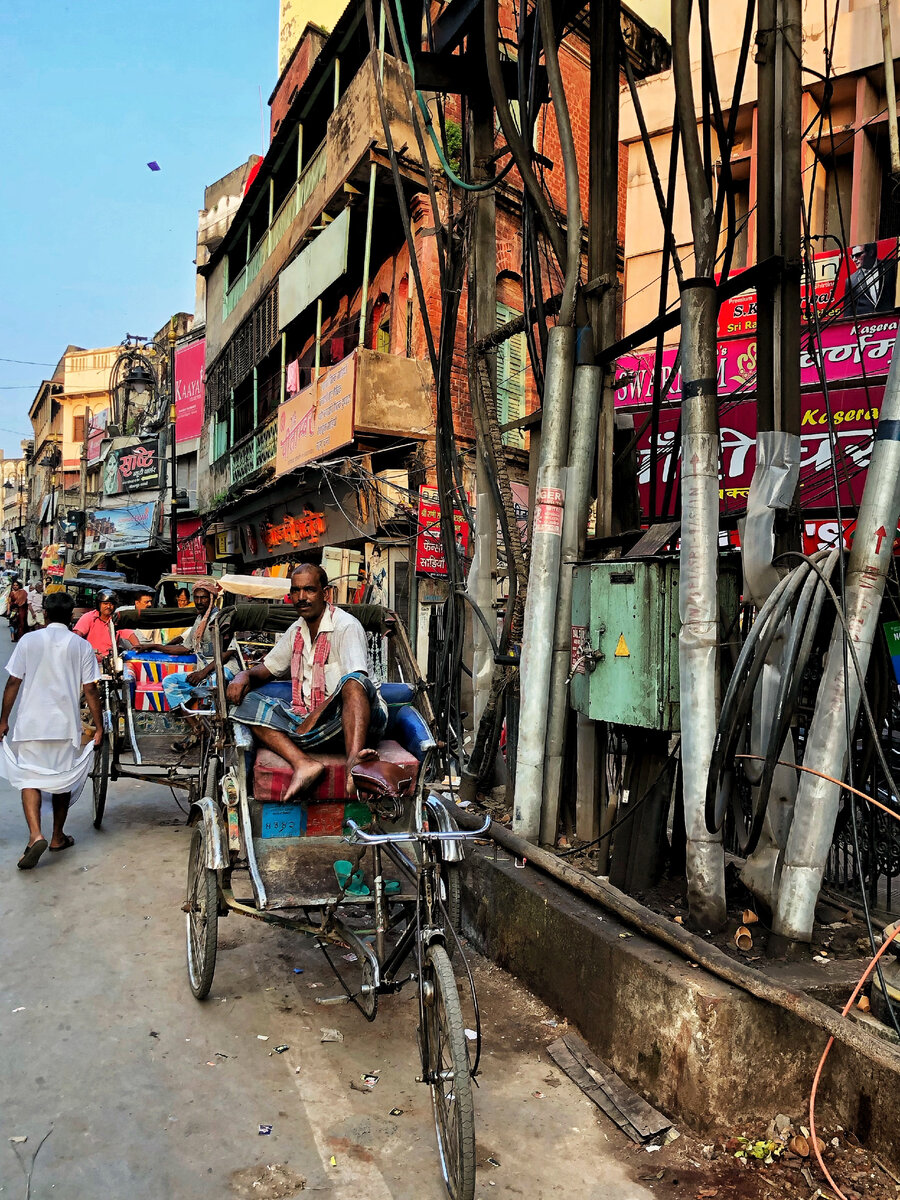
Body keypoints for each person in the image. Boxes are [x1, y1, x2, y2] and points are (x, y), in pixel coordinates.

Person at [227, 564, 387, 798]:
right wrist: (243, 675)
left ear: (326, 593)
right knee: (244, 702)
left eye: (309, 590)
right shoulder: (296, 631)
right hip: (313, 726)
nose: (301, 597)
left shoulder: (346, 626)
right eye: (296, 590)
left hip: (358, 722)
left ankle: (354, 763)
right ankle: (303, 763)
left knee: (352, 682)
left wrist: (317, 713)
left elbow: (358, 682)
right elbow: (265, 670)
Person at [0, 590, 103, 869]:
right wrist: (99, 725)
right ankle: (57, 837)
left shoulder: (28, 640)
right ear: (71, 617)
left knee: (29, 779)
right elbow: (90, 689)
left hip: (31, 724)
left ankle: (36, 835)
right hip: (63, 725)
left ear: (44, 613)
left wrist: (3, 720)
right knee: (62, 781)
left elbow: (13, 683)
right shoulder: (80, 645)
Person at [142, 582, 236, 747]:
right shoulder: (199, 620)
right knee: (169, 682)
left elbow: (228, 652)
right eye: (197, 597)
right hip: (204, 672)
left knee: (213, 683)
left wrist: (203, 673)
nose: (199, 601)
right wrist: (155, 646)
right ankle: (197, 729)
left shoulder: (221, 619)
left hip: (224, 669)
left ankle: (218, 730)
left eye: (203, 598)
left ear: (212, 599)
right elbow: (185, 647)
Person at [74, 590, 139, 662]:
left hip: (111, 661)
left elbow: (130, 635)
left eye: (111, 604)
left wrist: (138, 648)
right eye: (105, 603)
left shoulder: (116, 619)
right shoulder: (89, 617)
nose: (108, 606)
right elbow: (77, 635)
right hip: (91, 659)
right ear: (99, 604)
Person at [843, 243, 898, 316]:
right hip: (865, 325)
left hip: (890, 321)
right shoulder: (851, 280)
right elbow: (848, 312)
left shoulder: (890, 266)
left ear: (871, 252)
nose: (854, 259)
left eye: (858, 255)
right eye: (852, 256)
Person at [7, 578, 28, 642]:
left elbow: (25, 600)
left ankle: (20, 637)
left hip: (21, 610)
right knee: (13, 624)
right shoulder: (11, 593)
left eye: (16, 585)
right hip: (13, 610)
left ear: (19, 586)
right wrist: (8, 610)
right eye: (14, 585)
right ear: (12, 586)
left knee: (21, 623)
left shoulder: (22, 592)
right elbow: (9, 602)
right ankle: (13, 638)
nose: (15, 586)